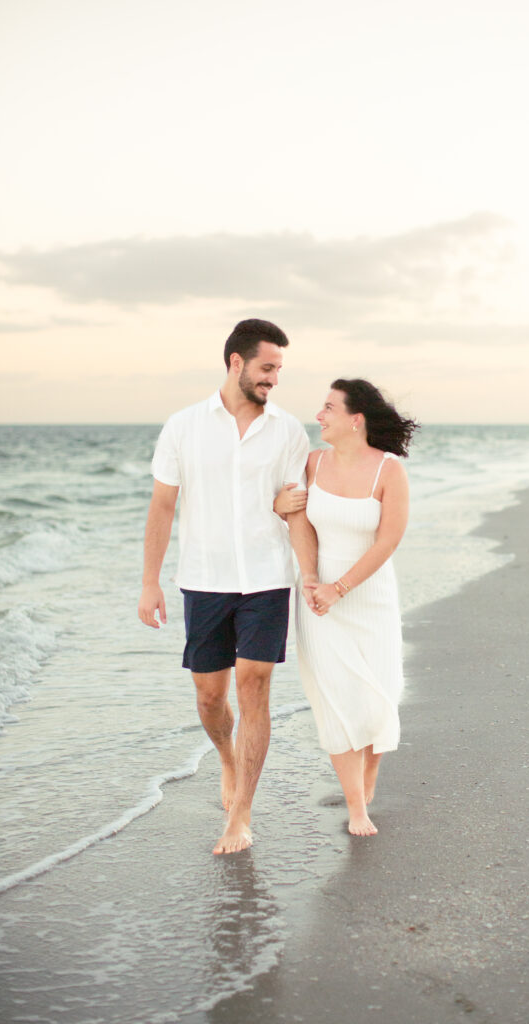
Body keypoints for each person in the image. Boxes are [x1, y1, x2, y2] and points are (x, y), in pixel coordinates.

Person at [138, 319, 317, 855]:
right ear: (235, 363)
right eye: (267, 368)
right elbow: (163, 505)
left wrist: (309, 576)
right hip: (205, 580)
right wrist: (150, 582)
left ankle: (241, 814)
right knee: (210, 695)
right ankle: (225, 757)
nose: (274, 380)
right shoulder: (184, 427)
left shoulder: (288, 430)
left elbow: (296, 508)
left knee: (255, 684)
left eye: (279, 370)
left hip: (266, 578)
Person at [275, 379, 417, 837]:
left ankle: (369, 770)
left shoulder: (388, 471)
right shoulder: (312, 464)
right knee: (336, 699)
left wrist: (341, 586)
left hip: (369, 594)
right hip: (318, 599)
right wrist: (313, 579)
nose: (319, 415)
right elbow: (298, 521)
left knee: (381, 693)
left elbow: (389, 540)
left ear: (356, 420)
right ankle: (357, 808)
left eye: (329, 408)